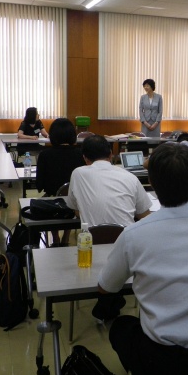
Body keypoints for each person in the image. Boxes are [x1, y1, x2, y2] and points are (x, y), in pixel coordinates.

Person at [101, 143, 188, 375]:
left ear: (151, 182)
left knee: (120, 328)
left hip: (163, 360)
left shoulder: (133, 234)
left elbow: (107, 287)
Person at [67, 134, 152, 321]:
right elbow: (144, 215)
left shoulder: (78, 173)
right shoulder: (129, 177)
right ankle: (113, 297)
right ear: (111, 155)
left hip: (91, 247)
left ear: (85, 158)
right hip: (128, 249)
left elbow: (75, 210)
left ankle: (108, 296)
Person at [35, 118, 85, 246]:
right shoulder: (81, 154)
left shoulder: (45, 154)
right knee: (70, 200)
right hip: (76, 202)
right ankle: (66, 238)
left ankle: (55, 237)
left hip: (54, 201)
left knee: (51, 199)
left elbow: (39, 185)